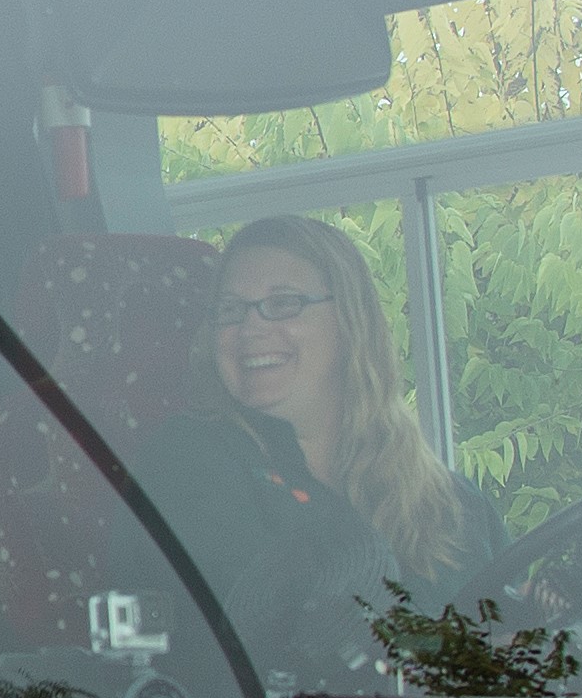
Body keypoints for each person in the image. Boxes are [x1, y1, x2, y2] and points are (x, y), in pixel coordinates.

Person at [146, 213, 498, 671]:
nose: (251, 328)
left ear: (351, 321)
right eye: (231, 310)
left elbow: (518, 631)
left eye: (284, 303)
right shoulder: (183, 468)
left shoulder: (455, 504)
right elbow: (274, 640)